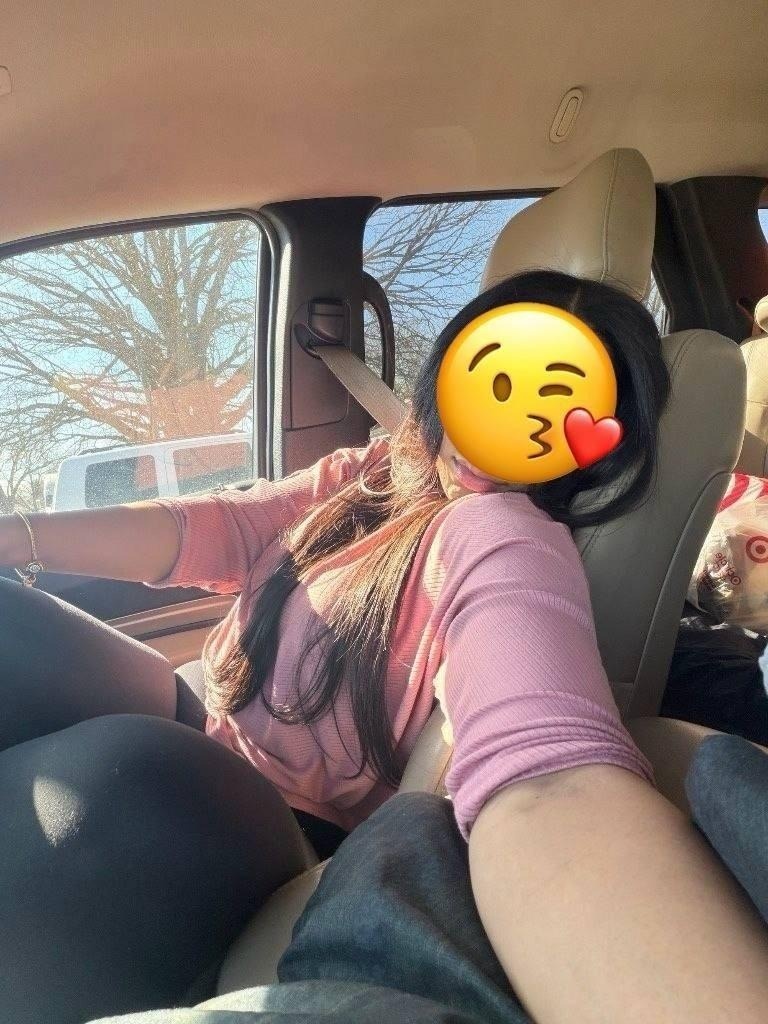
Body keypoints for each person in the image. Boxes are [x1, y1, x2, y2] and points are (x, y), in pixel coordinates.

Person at [1, 269, 767, 1024]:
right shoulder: (382, 470)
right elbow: (219, 527)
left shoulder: (502, 536)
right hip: (205, 718)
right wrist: (20, 536)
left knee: (91, 793)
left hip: (273, 826)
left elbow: (547, 776)